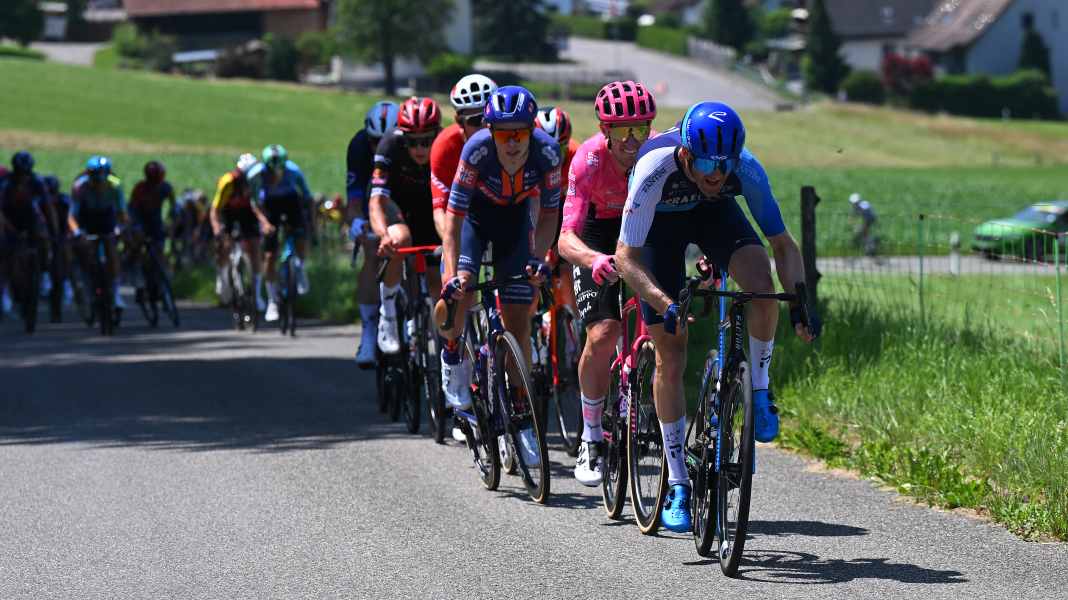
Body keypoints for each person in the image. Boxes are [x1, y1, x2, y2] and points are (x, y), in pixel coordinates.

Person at [616, 101, 820, 532]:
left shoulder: (745, 169)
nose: (716, 174)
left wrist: (802, 304)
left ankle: (759, 390)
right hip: (658, 233)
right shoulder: (654, 167)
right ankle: (677, 482)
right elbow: (625, 259)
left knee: (761, 286)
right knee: (671, 353)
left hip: (715, 217)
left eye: (724, 164)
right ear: (686, 153)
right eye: (707, 163)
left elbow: (783, 245)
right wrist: (664, 303)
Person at [435, 85, 562, 465]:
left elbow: (550, 215)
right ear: (490, 132)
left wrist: (539, 258)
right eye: (504, 135)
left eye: (520, 133)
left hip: (515, 224)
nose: (513, 143)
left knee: (519, 319)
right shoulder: (476, 150)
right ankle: (452, 353)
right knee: (459, 294)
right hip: (474, 221)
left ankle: (521, 413)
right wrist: (453, 274)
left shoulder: (547, 152)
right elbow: (453, 220)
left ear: (531, 130)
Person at [557, 80, 657, 486]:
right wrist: (593, 259)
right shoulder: (588, 160)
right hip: (597, 233)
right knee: (603, 332)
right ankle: (592, 435)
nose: (632, 140)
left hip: (643, 231)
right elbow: (566, 238)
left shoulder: (657, 154)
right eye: (621, 130)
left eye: (640, 128)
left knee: (664, 330)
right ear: (604, 129)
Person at [369, 96, 444, 353]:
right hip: (397, 205)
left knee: (436, 280)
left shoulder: (447, 144)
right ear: (403, 136)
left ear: (437, 134)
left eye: (426, 141)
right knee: (399, 239)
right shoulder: (389, 144)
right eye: (413, 142)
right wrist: (383, 235)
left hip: (432, 207)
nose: (420, 148)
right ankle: (388, 313)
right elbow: (376, 201)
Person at [347, 100, 400, 367]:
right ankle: (368, 332)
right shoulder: (358, 147)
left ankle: (415, 321)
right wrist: (357, 223)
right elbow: (355, 198)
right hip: (373, 199)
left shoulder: (412, 145)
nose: (380, 147)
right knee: (372, 252)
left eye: (386, 141)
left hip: (404, 198)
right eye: (374, 141)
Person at [247, 144, 312, 322]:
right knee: (269, 256)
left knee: (300, 235)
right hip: (269, 206)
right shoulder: (255, 175)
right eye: (271, 171)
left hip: (291, 202)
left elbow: (307, 196)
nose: (275, 174)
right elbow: (254, 204)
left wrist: (309, 223)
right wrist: (264, 223)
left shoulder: (294, 171)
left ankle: (300, 266)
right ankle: (272, 300)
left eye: (279, 170)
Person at [430, 73, 497, 239]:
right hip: (467, 213)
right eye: (475, 120)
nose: (485, 126)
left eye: (489, 117)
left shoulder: (516, 140)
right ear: (460, 122)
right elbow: (440, 211)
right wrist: (452, 244)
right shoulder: (444, 147)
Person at [211, 153, 272, 309]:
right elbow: (215, 209)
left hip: (247, 213)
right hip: (228, 213)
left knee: (255, 247)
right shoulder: (228, 181)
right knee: (225, 245)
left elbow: (258, 206)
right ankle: (223, 279)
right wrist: (217, 229)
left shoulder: (257, 181)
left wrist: (265, 223)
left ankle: (257, 295)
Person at [69, 155, 127, 310]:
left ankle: (115, 293)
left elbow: (122, 212)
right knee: (86, 250)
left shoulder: (115, 184)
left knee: (111, 249)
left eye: (101, 180)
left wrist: (120, 228)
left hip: (107, 217)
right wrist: (77, 233)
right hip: (86, 217)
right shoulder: (80, 187)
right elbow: (72, 216)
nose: (98, 184)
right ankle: (87, 285)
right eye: (95, 180)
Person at [0, 151, 48, 315]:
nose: (23, 177)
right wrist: (9, 230)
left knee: (44, 238)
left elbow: (47, 208)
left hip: (31, 219)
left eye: (26, 173)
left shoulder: (37, 182)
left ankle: (45, 273)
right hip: (10, 220)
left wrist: (51, 231)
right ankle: (7, 289)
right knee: (8, 255)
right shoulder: (5, 183)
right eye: (20, 173)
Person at [126, 160, 176, 295]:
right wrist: (136, 227)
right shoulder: (140, 188)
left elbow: (173, 207)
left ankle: (159, 281)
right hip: (140, 221)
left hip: (156, 222)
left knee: (159, 250)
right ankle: (138, 277)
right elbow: (131, 209)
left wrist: (171, 222)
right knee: (139, 248)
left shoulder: (166, 187)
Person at [849, 192, 878, 256]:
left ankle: (870, 248)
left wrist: (863, 225)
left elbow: (867, 216)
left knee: (863, 233)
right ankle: (869, 248)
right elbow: (854, 213)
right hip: (868, 220)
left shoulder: (863, 205)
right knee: (864, 233)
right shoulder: (860, 204)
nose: (853, 204)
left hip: (869, 220)